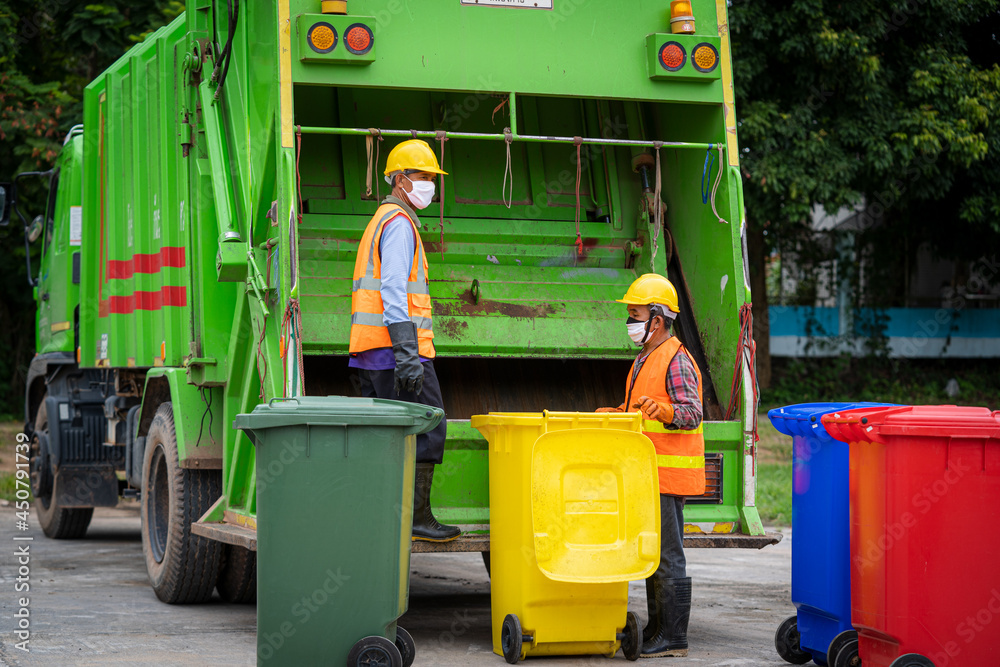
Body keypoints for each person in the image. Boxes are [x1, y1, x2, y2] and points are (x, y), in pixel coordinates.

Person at [349, 139, 461, 543]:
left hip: (375, 351)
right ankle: (417, 518)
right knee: (431, 426)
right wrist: (407, 353)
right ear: (399, 180)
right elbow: (394, 288)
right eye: (422, 177)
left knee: (388, 438)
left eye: (433, 178)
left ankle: (384, 518)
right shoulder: (398, 224)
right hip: (396, 352)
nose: (430, 185)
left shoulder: (383, 219)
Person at [596, 273, 706, 658]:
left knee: (669, 555)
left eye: (635, 313)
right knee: (653, 554)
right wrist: (613, 414)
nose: (630, 320)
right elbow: (638, 413)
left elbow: (692, 413)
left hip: (667, 474)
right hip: (648, 475)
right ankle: (658, 629)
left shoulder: (674, 359)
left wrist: (666, 410)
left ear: (656, 320)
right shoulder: (646, 357)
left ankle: (674, 636)